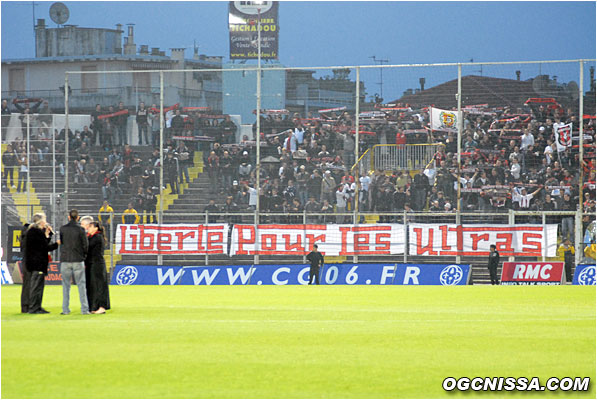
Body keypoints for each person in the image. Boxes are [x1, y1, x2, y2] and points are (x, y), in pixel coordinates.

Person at [24, 213, 58, 314]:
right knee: (36, 287)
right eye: (45, 220)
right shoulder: (36, 232)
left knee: (39, 286)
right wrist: (57, 244)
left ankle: (37, 306)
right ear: (41, 221)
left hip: (36, 263)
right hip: (37, 263)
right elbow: (45, 247)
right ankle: (34, 308)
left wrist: (47, 235)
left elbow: (43, 245)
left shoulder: (34, 232)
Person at [59, 209, 90, 315]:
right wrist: (83, 256)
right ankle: (84, 309)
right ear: (78, 217)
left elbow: (62, 243)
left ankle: (65, 309)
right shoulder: (81, 230)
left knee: (65, 286)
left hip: (65, 260)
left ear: (68, 217)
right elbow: (85, 245)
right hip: (78, 259)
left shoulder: (62, 229)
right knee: (81, 285)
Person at [85, 222, 111, 314]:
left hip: (97, 264)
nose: (88, 228)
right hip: (93, 264)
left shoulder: (97, 237)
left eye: (90, 226)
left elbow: (87, 246)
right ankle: (95, 306)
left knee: (99, 285)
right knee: (94, 286)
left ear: (96, 228)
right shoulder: (93, 237)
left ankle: (102, 306)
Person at [19, 222, 31, 313]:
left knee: (26, 285)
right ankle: (28, 306)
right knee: (29, 285)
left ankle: (25, 306)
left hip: (25, 262)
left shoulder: (23, 237)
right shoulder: (28, 238)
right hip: (29, 262)